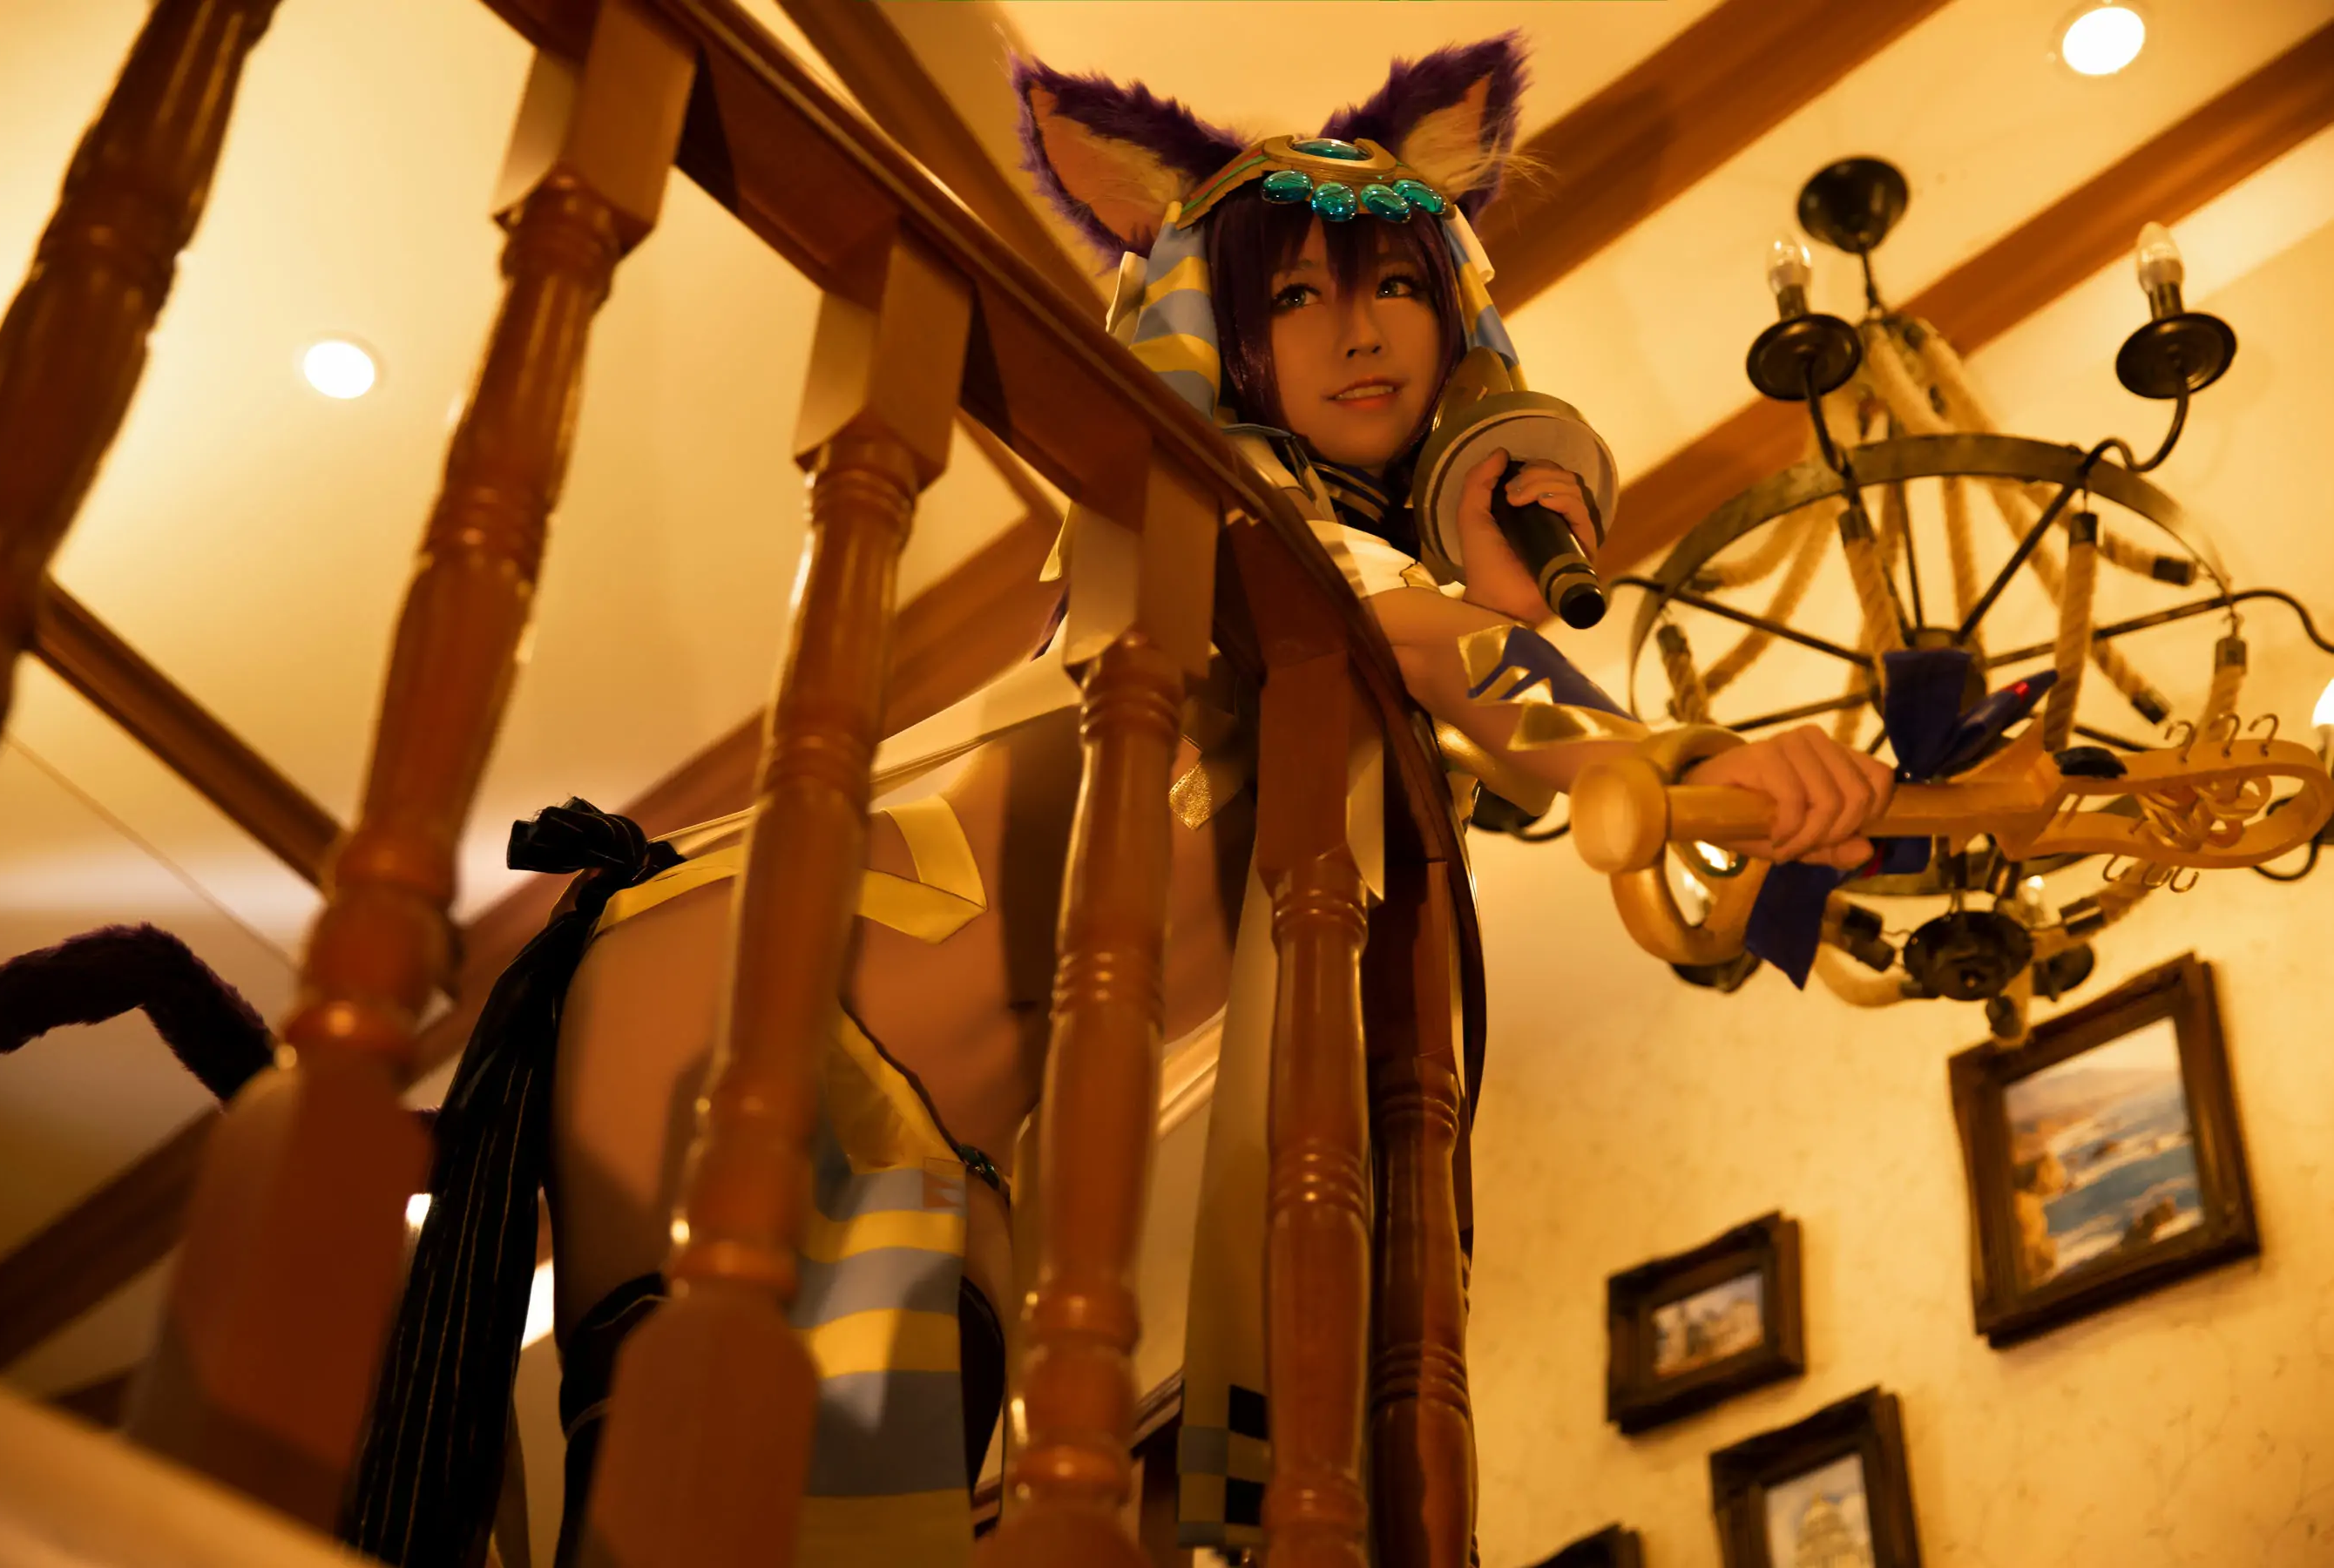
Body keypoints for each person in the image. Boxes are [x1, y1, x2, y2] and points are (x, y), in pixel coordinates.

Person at [345, 34, 1893, 1568]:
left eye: (1396, 286)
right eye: (1292, 298)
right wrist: (1675, 756)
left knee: (845, 1531)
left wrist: (1634, 722)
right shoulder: (1241, 526)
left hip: (932, 1122)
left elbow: (1469, 705)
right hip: (749, 998)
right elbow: (1428, 650)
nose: (1360, 331)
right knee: (703, 1520)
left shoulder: (1385, 609)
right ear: (1220, 336)